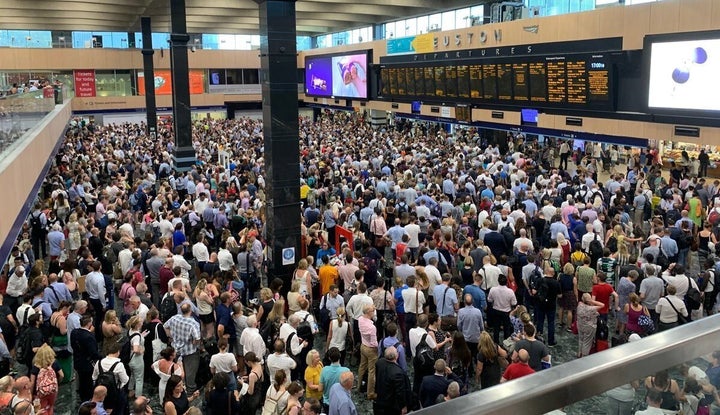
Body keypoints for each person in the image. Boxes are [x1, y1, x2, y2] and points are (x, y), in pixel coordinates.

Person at [163, 303, 201, 393]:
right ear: (190, 311)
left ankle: (178, 388)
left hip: (175, 349)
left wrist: (171, 336)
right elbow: (197, 338)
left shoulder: (174, 318)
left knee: (178, 371)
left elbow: (165, 326)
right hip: (190, 352)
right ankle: (190, 390)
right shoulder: (193, 323)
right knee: (190, 372)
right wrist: (194, 343)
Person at [72, 315, 101, 403]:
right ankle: (88, 399)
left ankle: (82, 397)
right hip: (87, 364)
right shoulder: (88, 336)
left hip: (77, 360)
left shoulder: (74, 332)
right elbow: (93, 353)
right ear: (89, 324)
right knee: (88, 382)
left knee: (81, 380)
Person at [374, 346, 411, 415]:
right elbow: (400, 392)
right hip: (391, 404)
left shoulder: (379, 362)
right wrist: (403, 406)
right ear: (396, 356)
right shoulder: (398, 373)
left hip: (381, 398)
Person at [357, 303, 378, 400]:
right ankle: (370, 393)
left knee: (362, 367)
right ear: (369, 313)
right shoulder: (372, 327)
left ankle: (358, 386)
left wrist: (371, 308)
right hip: (371, 349)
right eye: (373, 311)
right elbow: (374, 343)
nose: (374, 313)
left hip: (363, 346)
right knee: (371, 371)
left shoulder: (360, 319)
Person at [320, 347, 349, 413]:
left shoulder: (324, 370)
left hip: (327, 403)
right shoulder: (346, 371)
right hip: (341, 403)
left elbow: (320, 389)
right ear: (340, 356)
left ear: (329, 358)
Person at [576, 293, 604, 357]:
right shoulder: (591, 309)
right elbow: (602, 305)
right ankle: (584, 356)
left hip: (580, 325)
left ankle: (579, 352)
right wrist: (592, 301)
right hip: (589, 327)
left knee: (581, 339)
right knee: (587, 342)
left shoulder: (579, 305)